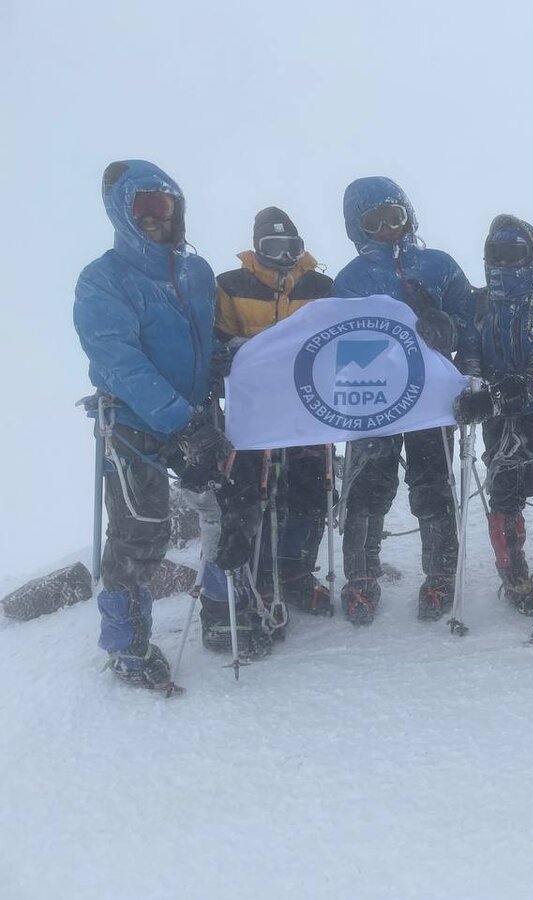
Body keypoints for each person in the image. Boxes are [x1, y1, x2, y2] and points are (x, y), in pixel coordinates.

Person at [74, 159, 226, 690]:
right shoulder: (103, 279)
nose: (156, 217)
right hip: (133, 421)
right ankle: (127, 645)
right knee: (141, 531)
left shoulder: (195, 272)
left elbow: (207, 338)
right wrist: (182, 422)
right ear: (122, 212)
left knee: (225, 509)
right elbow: (119, 360)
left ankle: (222, 611)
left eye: (165, 205)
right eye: (143, 206)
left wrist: (222, 362)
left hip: (195, 413)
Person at [333, 176, 476, 625]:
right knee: (367, 487)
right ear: (358, 229)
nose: (387, 229)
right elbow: (337, 343)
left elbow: (470, 322)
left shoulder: (438, 265)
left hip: (432, 397)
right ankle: (361, 579)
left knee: (433, 483)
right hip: (374, 397)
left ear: (408, 215)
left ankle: (440, 575)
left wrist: (454, 339)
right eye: (374, 222)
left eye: (393, 216)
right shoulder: (351, 279)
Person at [199, 207, 336, 640]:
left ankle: (294, 570)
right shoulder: (230, 285)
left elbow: (339, 338)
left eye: (291, 247)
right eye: (272, 247)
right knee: (251, 497)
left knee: (310, 491)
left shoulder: (320, 287)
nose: (283, 256)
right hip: (253, 413)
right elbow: (216, 341)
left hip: (307, 411)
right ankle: (253, 581)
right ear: (256, 248)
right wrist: (235, 354)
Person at [453, 216, 533, 614]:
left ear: (532, 256)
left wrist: (493, 398)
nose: (504, 263)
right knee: (504, 496)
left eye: (514, 254)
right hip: (498, 421)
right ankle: (514, 576)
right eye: (496, 254)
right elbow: (470, 352)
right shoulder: (480, 304)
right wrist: (470, 386)